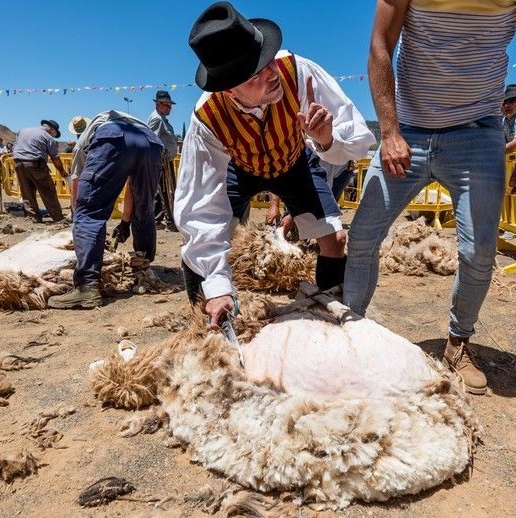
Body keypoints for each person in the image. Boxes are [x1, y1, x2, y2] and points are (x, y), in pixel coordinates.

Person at [344, 0, 516, 395]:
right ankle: (349, 331)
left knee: (478, 250)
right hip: (407, 129)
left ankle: (458, 342)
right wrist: (389, 132)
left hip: (477, 133)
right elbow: (380, 44)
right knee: (361, 237)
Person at [175, 2, 375, 325]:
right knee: (196, 247)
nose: (271, 73)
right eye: (257, 73)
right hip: (240, 169)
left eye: (267, 60)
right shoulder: (207, 118)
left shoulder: (297, 71)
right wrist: (216, 285)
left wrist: (326, 139)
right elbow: (199, 209)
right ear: (230, 89)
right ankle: (208, 318)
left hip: (294, 161)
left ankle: (326, 318)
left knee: (335, 240)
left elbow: (355, 139)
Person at [47, 111, 164, 309]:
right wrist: (126, 222)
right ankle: (142, 271)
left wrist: (79, 221)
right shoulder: (121, 123)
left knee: (89, 211)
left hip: (114, 136)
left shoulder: (84, 145)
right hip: (151, 142)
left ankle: (87, 287)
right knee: (145, 208)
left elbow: (76, 187)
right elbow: (134, 192)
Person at [11, 119, 67, 223]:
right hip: (35, 164)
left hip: (18, 163)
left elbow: (15, 146)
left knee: (27, 191)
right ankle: (58, 218)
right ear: (52, 130)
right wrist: (62, 171)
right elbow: (55, 158)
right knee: (48, 190)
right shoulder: (48, 137)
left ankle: (34, 217)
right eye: (55, 134)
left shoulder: (23, 131)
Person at [147, 91, 178, 227]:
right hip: (162, 159)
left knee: (161, 190)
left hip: (163, 159)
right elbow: (152, 140)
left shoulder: (161, 119)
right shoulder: (157, 119)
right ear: (158, 104)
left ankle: (156, 218)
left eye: (170, 106)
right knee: (168, 189)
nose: (169, 108)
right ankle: (171, 220)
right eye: (167, 106)